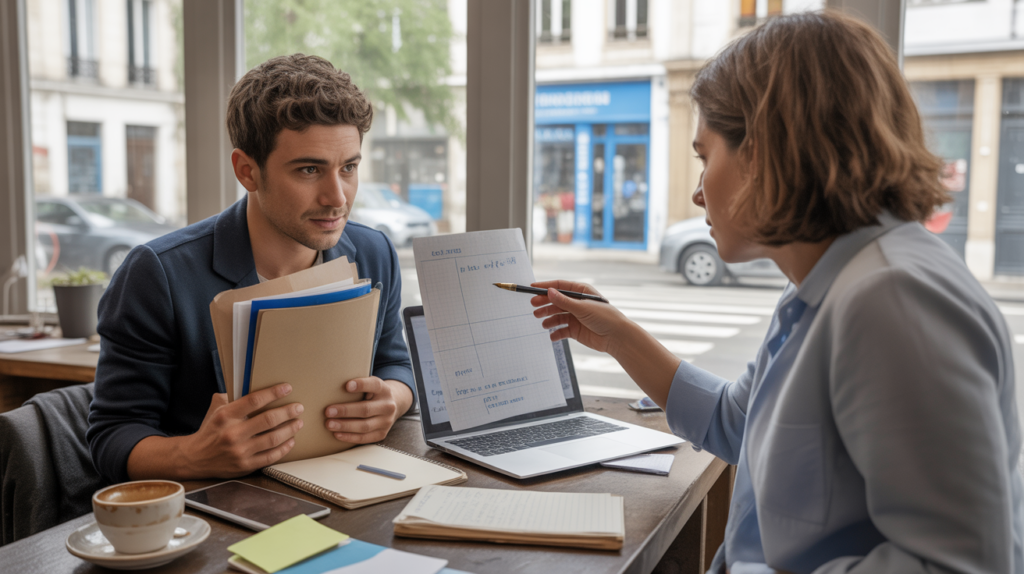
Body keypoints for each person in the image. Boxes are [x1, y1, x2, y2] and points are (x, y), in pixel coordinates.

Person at [532, 12, 1023, 574]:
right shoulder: (827, 284)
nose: (697, 193)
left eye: (704, 156)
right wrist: (617, 335)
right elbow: (741, 423)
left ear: (765, 152)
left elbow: (958, 564)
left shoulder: (893, 302)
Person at [87, 54, 415, 483]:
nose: (338, 197)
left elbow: (396, 364)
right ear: (247, 171)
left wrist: (392, 398)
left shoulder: (374, 252)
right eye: (310, 170)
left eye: (348, 168)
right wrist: (191, 454)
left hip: (351, 486)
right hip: (218, 511)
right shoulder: (157, 274)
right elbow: (111, 437)